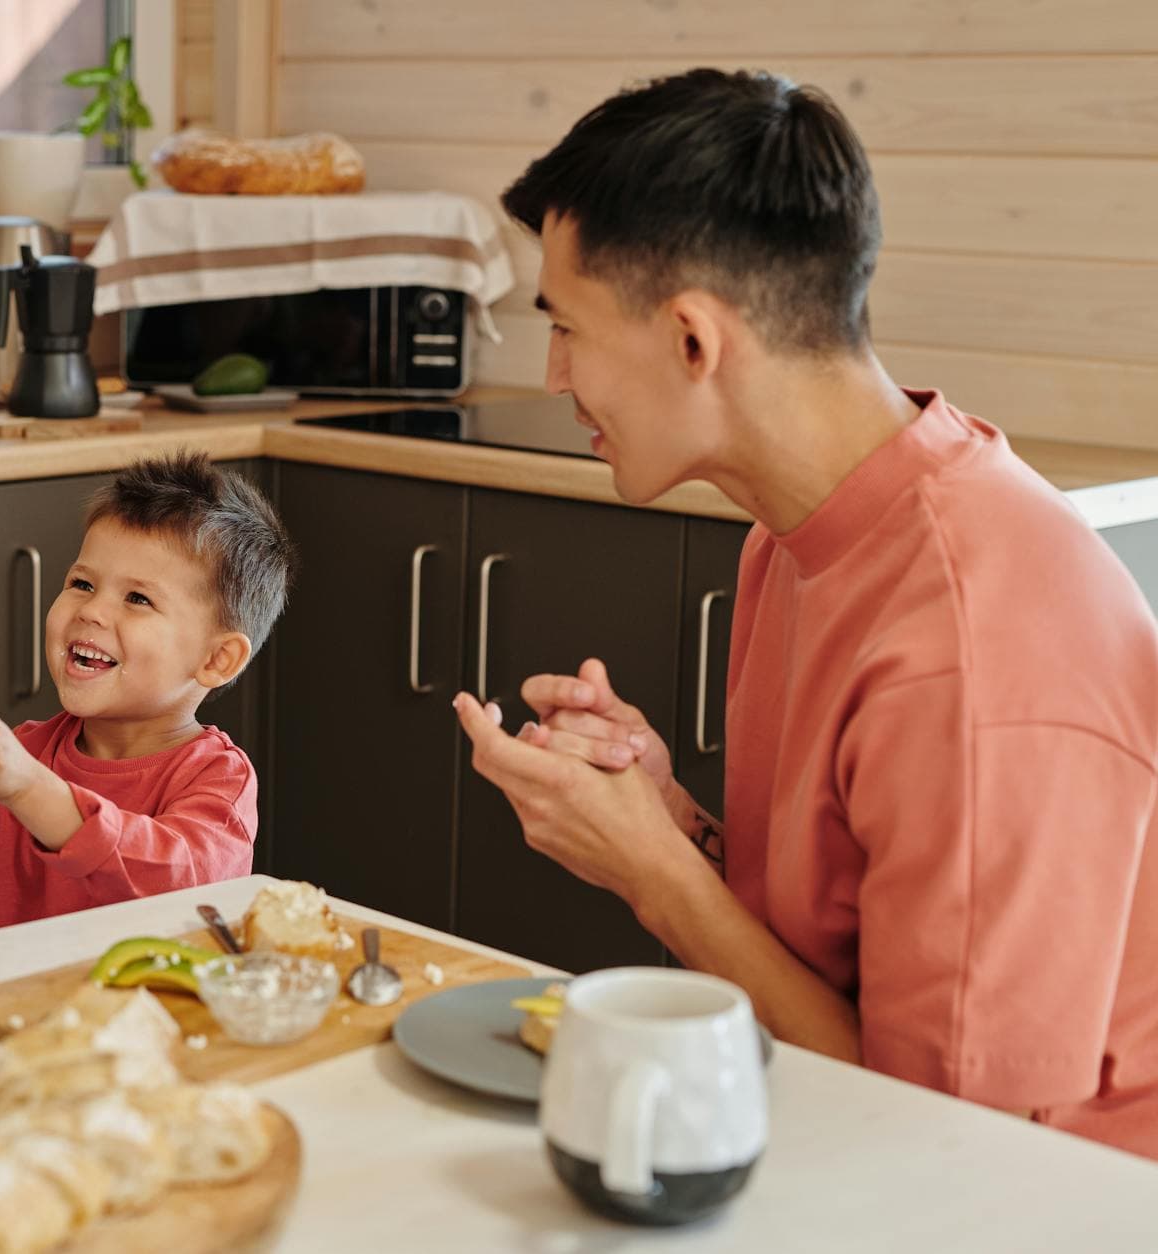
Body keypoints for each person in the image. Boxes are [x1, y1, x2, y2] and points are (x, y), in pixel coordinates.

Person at [452, 68, 1158, 1158]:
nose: (553, 376)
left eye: (566, 328)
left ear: (693, 340)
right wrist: (665, 820)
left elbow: (945, 1146)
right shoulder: (792, 532)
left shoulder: (969, 644)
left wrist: (657, 873)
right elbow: (843, 962)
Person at [0, 452, 294, 929]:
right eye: (82, 583)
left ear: (216, 660)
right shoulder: (23, 751)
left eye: (138, 598)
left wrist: (29, 789)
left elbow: (179, 884)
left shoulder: (218, 778)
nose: (91, 611)